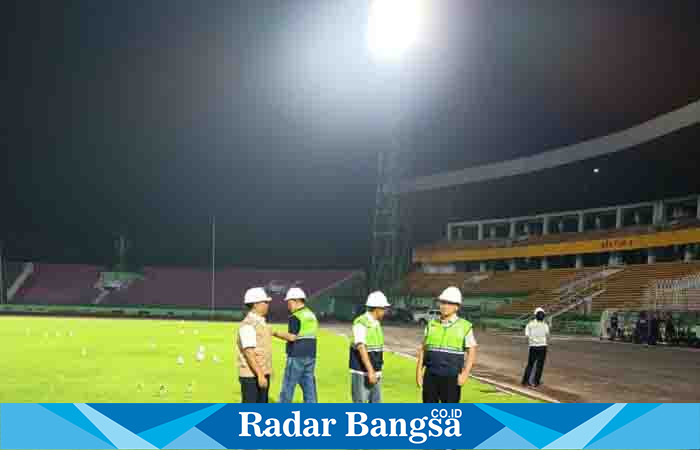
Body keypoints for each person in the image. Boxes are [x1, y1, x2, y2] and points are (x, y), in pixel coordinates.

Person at [416, 286, 478, 403]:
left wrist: (465, 374)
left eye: (449, 303)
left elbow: (472, 352)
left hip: (452, 378)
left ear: (456, 307)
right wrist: (419, 372)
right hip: (431, 375)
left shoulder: (465, 326)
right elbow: (423, 349)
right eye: (443, 302)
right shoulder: (431, 324)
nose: (444, 306)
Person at [273, 287, 319, 403]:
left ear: (296, 301)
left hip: (296, 355)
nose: (288, 306)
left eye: (289, 302)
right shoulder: (311, 314)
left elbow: (292, 337)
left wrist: (274, 332)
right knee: (309, 386)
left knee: (288, 385)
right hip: (311, 354)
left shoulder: (295, 316)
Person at [349, 291, 390, 403]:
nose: (385, 311)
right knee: (360, 403)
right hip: (362, 372)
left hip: (375, 371)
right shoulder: (361, 323)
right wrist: (370, 371)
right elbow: (361, 348)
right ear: (377, 308)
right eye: (384, 308)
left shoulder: (376, 323)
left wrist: (377, 371)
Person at [237, 287, 273, 403]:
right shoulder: (248, 325)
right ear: (255, 304)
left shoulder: (260, 322)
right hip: (252, 376)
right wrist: (260, 375)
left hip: (260, 373)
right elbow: (249, 353)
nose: (267, 305)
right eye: (265, 302)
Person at [521, 307, 550, 388]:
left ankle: (525, 381)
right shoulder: (545, 325)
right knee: (539, 365)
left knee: (530, 364)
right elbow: (548, 335)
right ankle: (535, 382)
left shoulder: (530, 324)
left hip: (533, 347)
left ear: (535, 315)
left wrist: (532, 340)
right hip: (543, 346)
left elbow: (526, 336)